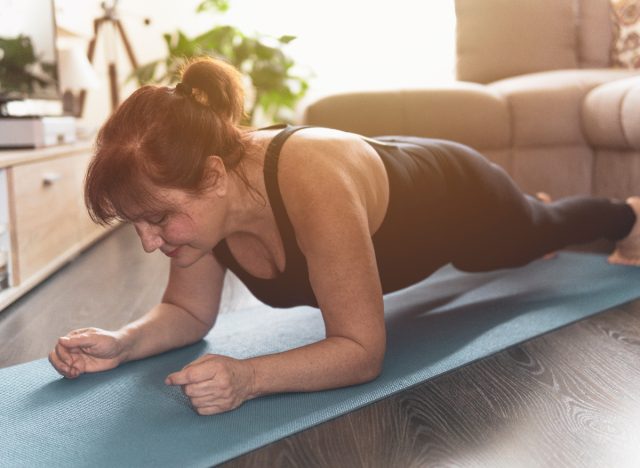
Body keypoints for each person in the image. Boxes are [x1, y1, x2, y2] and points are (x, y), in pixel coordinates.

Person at [48, 57, 640, 416]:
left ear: (213, 176)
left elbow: (361, 351)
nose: (151, 243)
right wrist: (123, 342)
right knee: (520, 240)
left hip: (456, 191)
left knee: (529, 238)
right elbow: (186, 309)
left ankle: (626, 212)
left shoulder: (310, 179)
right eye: (137, 226)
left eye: (158, 219)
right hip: (388, 185)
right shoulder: (205, 212)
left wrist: (250, 378)